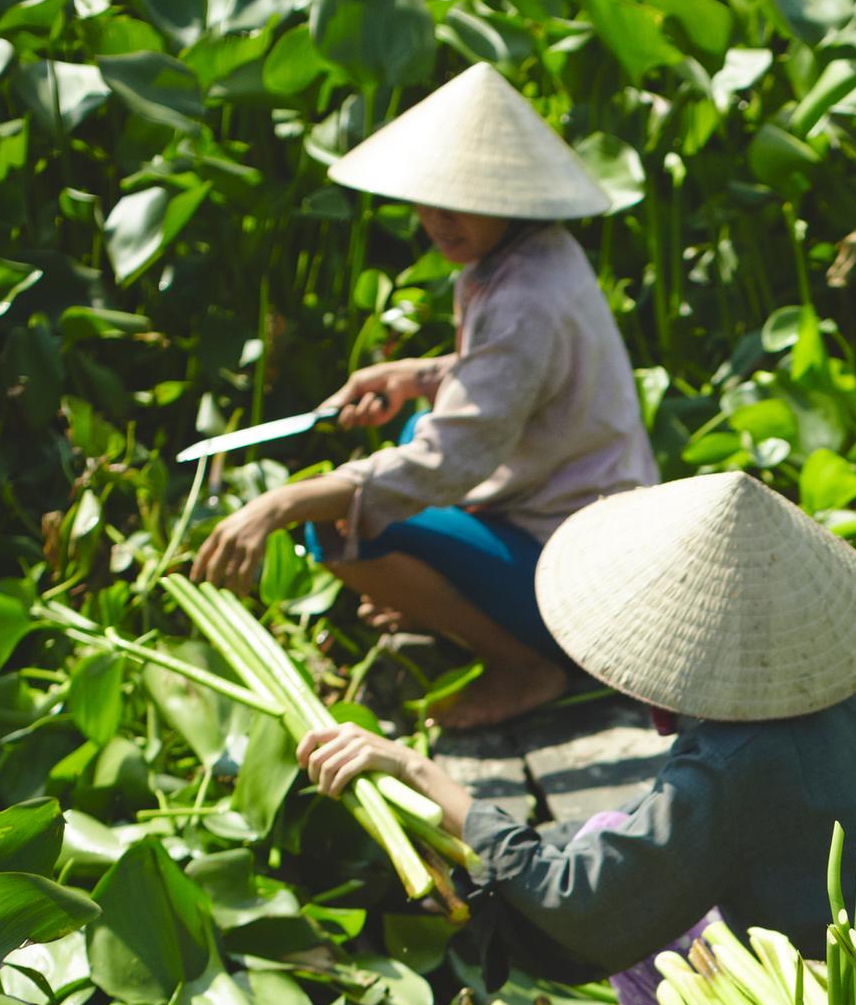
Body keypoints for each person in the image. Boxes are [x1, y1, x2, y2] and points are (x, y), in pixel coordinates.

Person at [295, 473, 856, 1005]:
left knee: (625, 900)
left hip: (854, 987)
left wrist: (420, 774)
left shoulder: (731, 763)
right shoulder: (811, 677)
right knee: (606, 824)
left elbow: (584, 906)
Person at [192, 64, 658, 729]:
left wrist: (278, 503)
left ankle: (526, 667)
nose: (434, 220)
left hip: (579, 569)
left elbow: (452, 459)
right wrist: (418, 377)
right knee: (412, 431)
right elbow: (517, 378)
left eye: (456, 202)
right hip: (576, 520)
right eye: (427, 200)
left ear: (508, 196)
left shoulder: (524, 297)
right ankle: (447, 605)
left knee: (336, 523)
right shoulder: (537, 255)